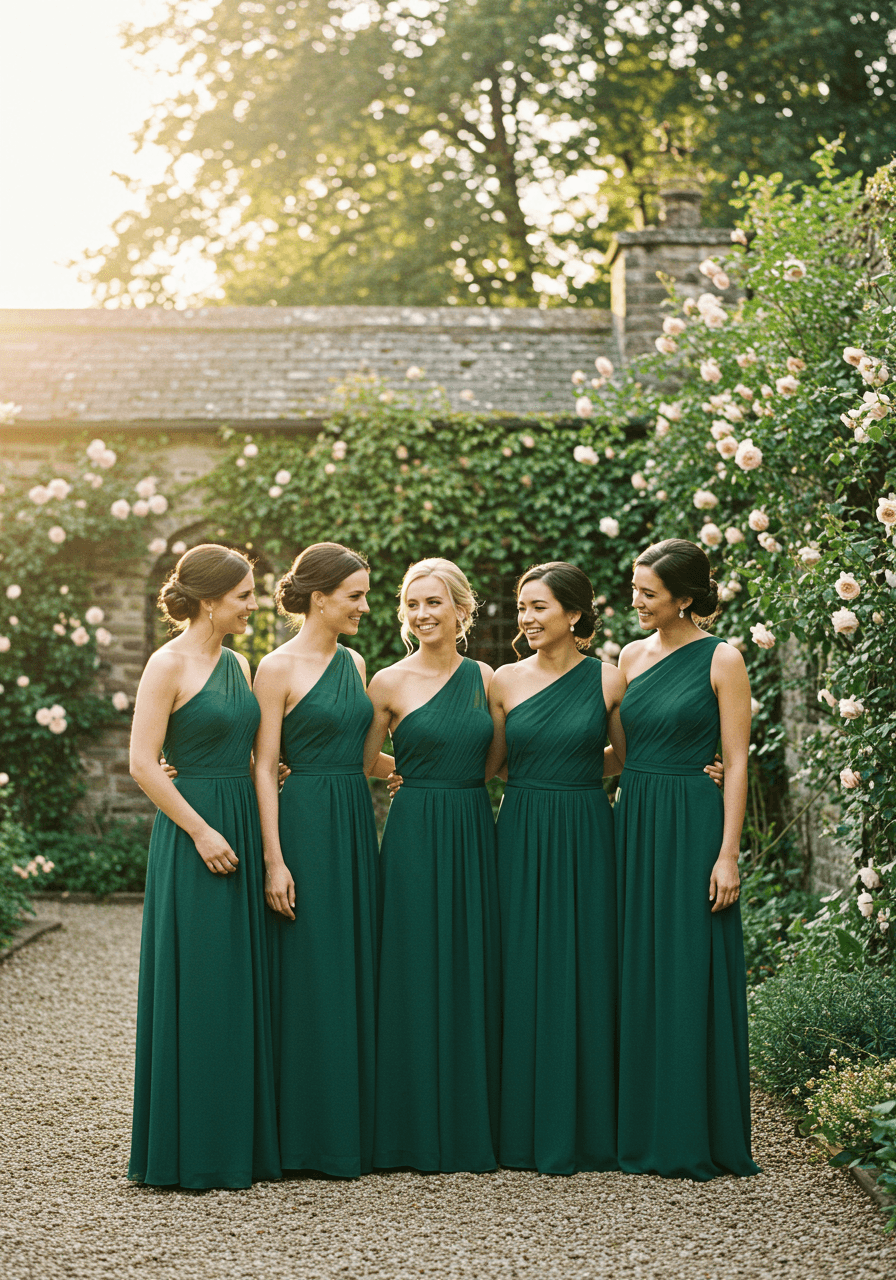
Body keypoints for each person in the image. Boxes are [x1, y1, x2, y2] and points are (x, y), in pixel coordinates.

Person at [128, 544, 280, 1190]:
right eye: (244, 595)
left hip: (239, 819)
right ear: (212, 599)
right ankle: (189, 1148)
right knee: (199, 981)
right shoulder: (166, 664)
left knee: (236, 982)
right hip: (195, 835)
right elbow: (141, 762)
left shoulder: (238, 660)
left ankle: (234, 1140)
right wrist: (199, 829)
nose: (254, 604)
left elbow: (245, 749)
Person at [614, 538, 760, 1180]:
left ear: (686, 597)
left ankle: (693, 1130)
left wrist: (728, 854)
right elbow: (613, 749)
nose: (637, 601)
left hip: (694, 825)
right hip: (635, 818)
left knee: (687, 965)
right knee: (637, 964)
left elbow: (736, 763)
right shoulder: (627, 656)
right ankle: (640, 1125)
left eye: (649, 592)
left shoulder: (723, 659)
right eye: (636, 589)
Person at [254, 542, 392, 1178]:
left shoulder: (356, 661)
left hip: (353, 820)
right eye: (355, 596)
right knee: (307, 968)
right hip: (305, 818)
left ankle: (350, 1127)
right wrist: (274, 859)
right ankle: (303, 1133)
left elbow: (361, 751)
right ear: (319, 599)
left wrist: (416, 772)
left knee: (349, 963)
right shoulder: (274, 668)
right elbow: (261, 765)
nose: (366, 605)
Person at [485, 562, 625, 1174]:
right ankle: (516, 1125)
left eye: (539, 606)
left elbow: (626, 759)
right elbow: (488, 763)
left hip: (589, 832)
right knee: (520, 964)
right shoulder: (504, 682)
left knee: (587, 965)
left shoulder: (610, 680)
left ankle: (589, 1125)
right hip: (520, 831)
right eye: (522, 607)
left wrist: (707, 772)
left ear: (574, 614)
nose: (527, 617)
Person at [364, 558, 500, 1172]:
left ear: (461, 610)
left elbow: (500, 761)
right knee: (413, 966)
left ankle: (473, 1117)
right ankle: (406, 1125)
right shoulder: (387, 682)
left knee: (472, 963)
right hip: (415, 831)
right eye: (413, 604)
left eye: (435, 603)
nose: (423, 614)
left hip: (474, 827)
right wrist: (412, 775)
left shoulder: (486, 678)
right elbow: (364, 760)